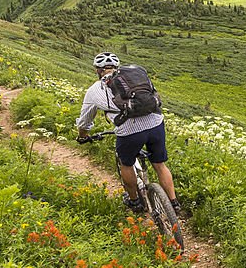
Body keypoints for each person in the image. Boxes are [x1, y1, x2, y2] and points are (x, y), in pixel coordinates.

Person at [75, 52, 181, 215]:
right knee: (160, 164)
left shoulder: (94, 91)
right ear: (117, 67)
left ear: (98, 70)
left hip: (129, 130)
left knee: (126, 164)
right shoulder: (134, 76)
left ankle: (135, 202)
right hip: (155, 122)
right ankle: (174, 203)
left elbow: (84, 121)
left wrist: (83, 135)